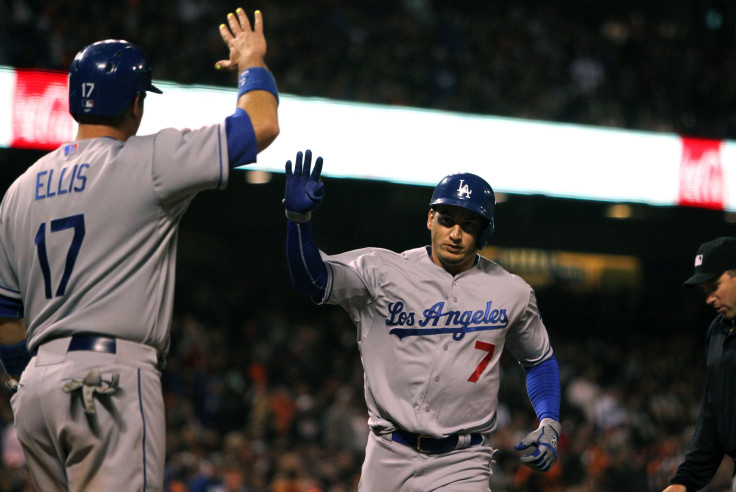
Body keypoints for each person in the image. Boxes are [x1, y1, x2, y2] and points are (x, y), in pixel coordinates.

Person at [0, 7, 279, 491]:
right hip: (108, 377)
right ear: (136, 105)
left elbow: (6, 316)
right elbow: (261, 125)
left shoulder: (19, 190)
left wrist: (34, 378)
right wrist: (252, 59)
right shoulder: (148, 160)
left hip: (37, 391)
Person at [281, 150, 561, 491]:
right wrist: (298, 220)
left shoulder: (511, 291)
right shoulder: (381, 270)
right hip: (388, 453)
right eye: (447, 220)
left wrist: (550, 422)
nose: (455, 234)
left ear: (484, 232)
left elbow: (539, 360)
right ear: (430, 219)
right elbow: (311, 280)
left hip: (463, 461)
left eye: (468, 225)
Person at [664, 236, 736, 492]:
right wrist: (684, 480)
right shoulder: (718, 331)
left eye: (715, 286)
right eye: (706, 291)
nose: (709, 298)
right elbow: (713, 413)